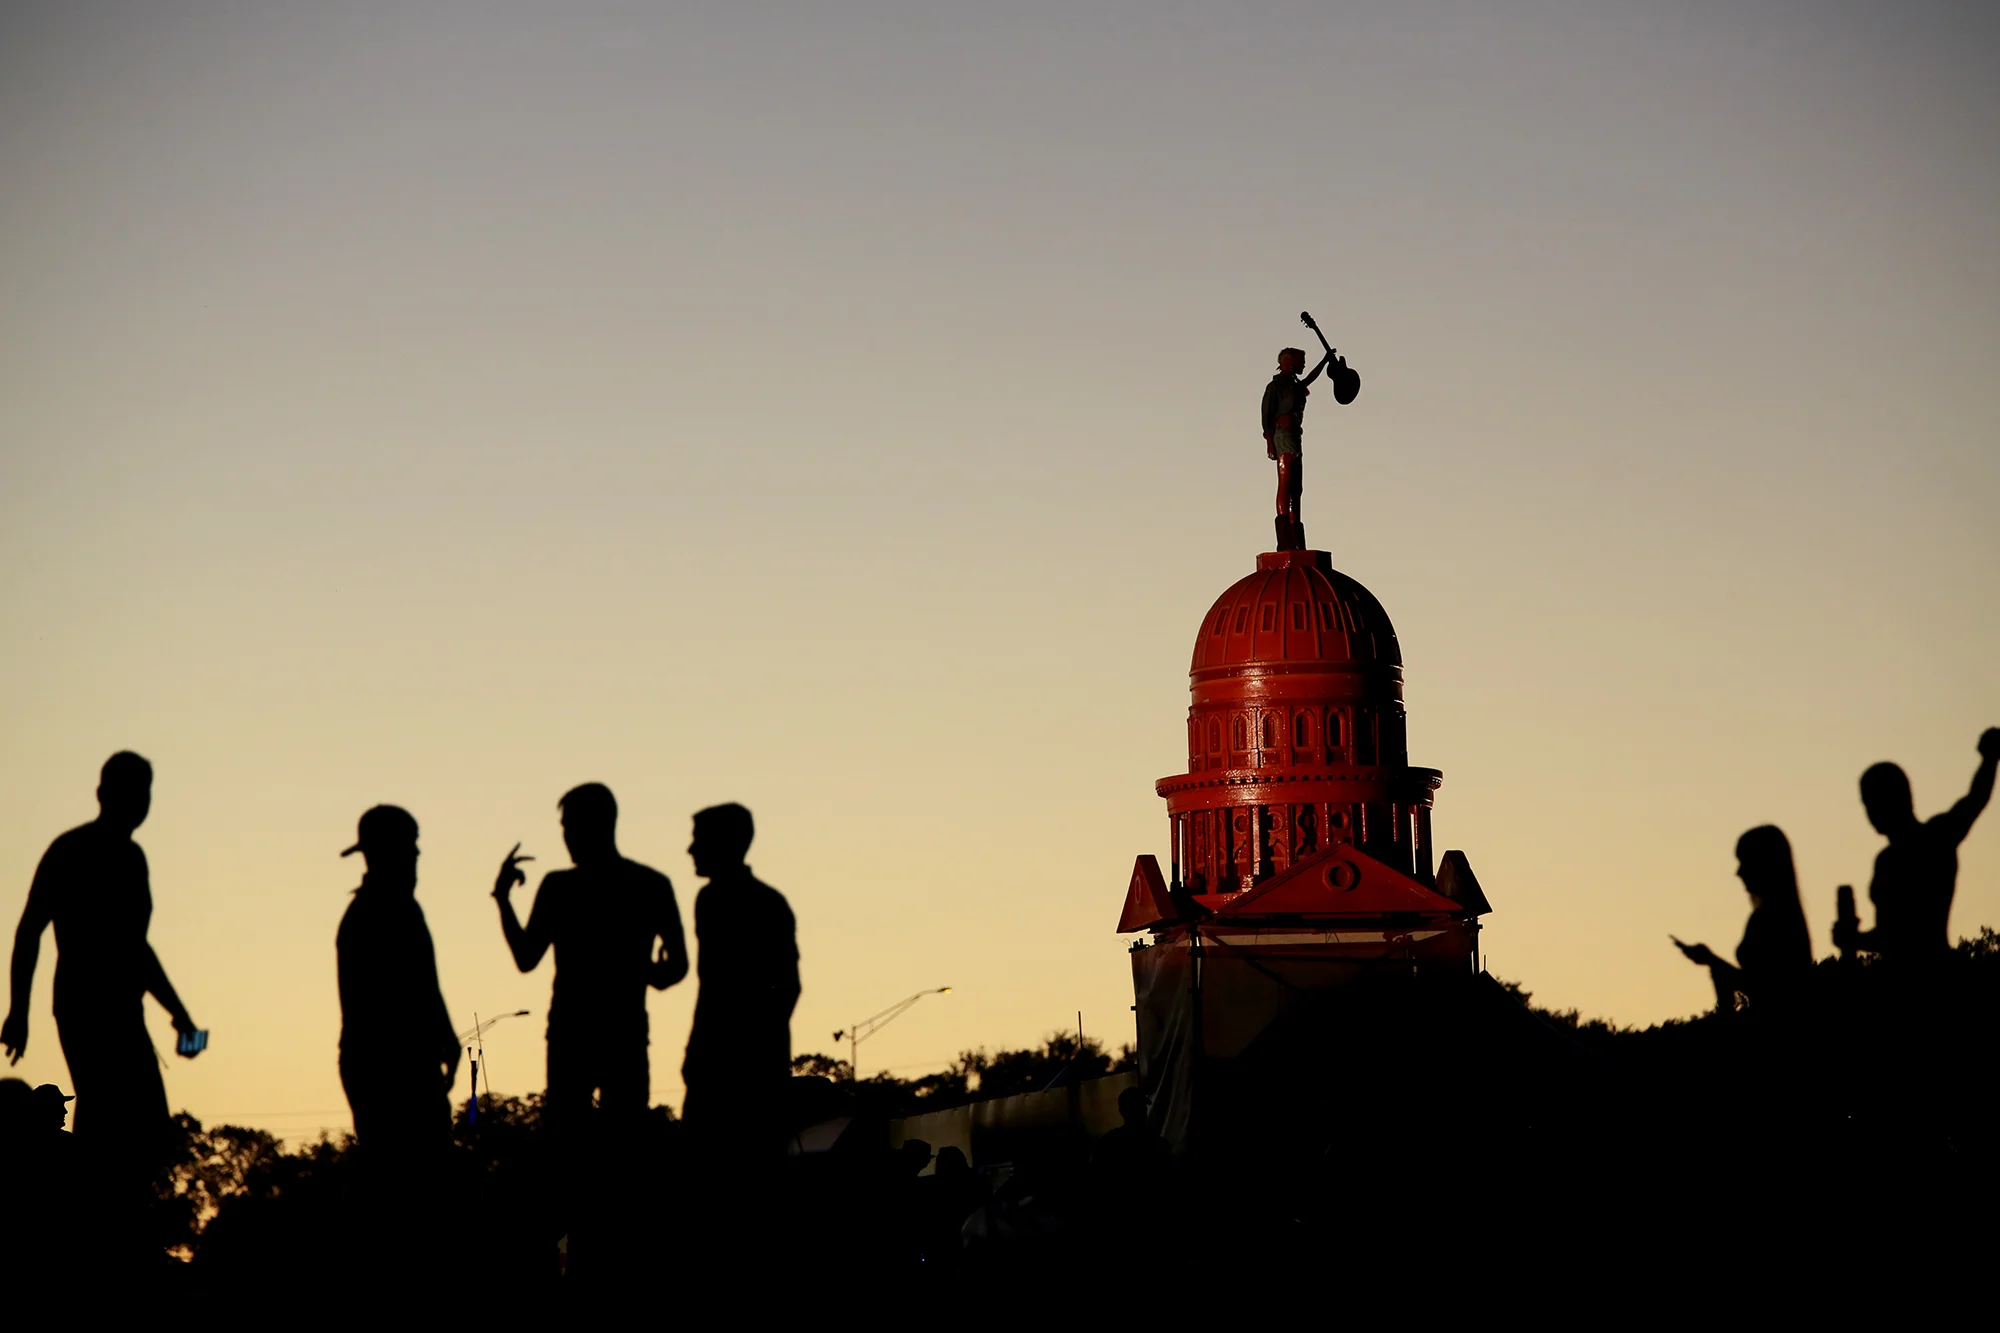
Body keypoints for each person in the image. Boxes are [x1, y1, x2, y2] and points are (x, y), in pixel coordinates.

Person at [3, 752, 200, 1166]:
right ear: (103, 793)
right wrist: (19, 1011)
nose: (140, 801)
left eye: (145, 792)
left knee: (146, 1130)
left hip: (125, 1008)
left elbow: (136, 947)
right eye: (132, 790)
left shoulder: (133, 858)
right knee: (104, 1118)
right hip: (83, 1007)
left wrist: (178, 1013)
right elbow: (30, 930)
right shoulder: (70, 850)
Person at [494, 783, 688, 1127]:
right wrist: (645, 971)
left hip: (576, 1033)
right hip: (619, 1030)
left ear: (598, 825)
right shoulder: (650, 884)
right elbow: (676, 967)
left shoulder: (559, 887)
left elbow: (526, 957)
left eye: (571, 826)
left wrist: (503, 899)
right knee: (623, 1130)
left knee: (573, 1134)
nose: (566, 836)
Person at [335, 805, 458, 1154]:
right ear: (388, 851)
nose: (417, 854)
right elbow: (410, 992)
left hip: (401, 1062)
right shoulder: (377, 914)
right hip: (391, 1067)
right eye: (410, 845)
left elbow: (425, 984)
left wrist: (445, 1036)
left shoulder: (399, 909)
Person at [1833, 727, 2000, 965]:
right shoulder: (1886, 860)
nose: (1869, 811)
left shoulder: (1934, 839)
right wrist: (1855, 939)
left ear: (1897, 797)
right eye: (1866, 803)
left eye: (1873, 801)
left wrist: (1989, 759)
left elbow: (1975, 799)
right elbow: (1889, 934)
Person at [680, 804, 799, 1138]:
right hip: (714, 1061)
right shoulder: (709, 900)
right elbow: (712, 987)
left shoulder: (766, 904)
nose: (691, 850)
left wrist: (749, 1047)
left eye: (699, 840)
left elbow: (785, 986)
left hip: (747, 1068)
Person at [1673, 826, 1815, 1013]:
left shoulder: (1774, 920)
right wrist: (1713, 962)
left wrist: (1713, 961)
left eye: (1745, 862)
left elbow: (1768, 989)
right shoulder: (1774, 916)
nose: (1738, 872)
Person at [1260, 346, 1331, 551]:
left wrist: (1325, 360)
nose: (1303, 365)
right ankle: (1285, 532)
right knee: (1286, 480)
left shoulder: (1295, 385)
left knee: (1296, 486)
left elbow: (1309, 379)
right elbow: (1266, 415)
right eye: (1301, 361)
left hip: (1295, 435)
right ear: (1290, 363)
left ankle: (1295, 528)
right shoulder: (1276, 387)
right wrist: (1269, 440)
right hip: (1283, 434)